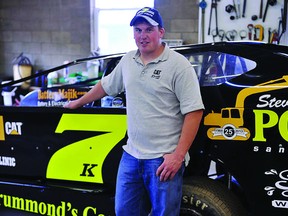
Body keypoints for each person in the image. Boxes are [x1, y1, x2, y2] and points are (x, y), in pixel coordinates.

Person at [65, 7, 204, 216]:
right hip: (132, 155)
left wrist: (178, 155)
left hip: (163, 158)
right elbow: (106, 85)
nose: (143, 36)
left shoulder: (179, 66)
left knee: (164, 214)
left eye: (149, 30)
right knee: (124, 211)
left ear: (161, 32)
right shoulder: (128, 60)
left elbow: (194, 112)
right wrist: (77, 103)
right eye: (138, 30)